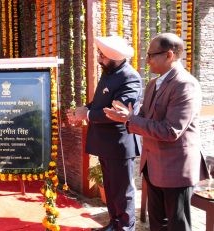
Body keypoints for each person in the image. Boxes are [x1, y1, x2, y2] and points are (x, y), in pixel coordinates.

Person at [104, 33, 209, 231]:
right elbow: (143, 116)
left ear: (169, 55)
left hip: (176, 168)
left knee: (177, 225)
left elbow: (171, 130)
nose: (147, 60)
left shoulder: (185, 84)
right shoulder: (154, 83)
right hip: (152, 166)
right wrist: (126, 115)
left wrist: (130, 119)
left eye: (151, 55)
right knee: (157, 224)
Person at [68, 36, 142, 231]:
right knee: (110, 188)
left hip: (119, 145)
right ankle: (114, 223)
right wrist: (83, 110)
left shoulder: (130, 77)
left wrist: (89, 114)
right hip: (105, 144)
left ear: (114, 57)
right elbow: (101, 104)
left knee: (123, 191)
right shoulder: (109, 73)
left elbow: (118, 112)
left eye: (102, 56)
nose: (99, 59)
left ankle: (126, 228)